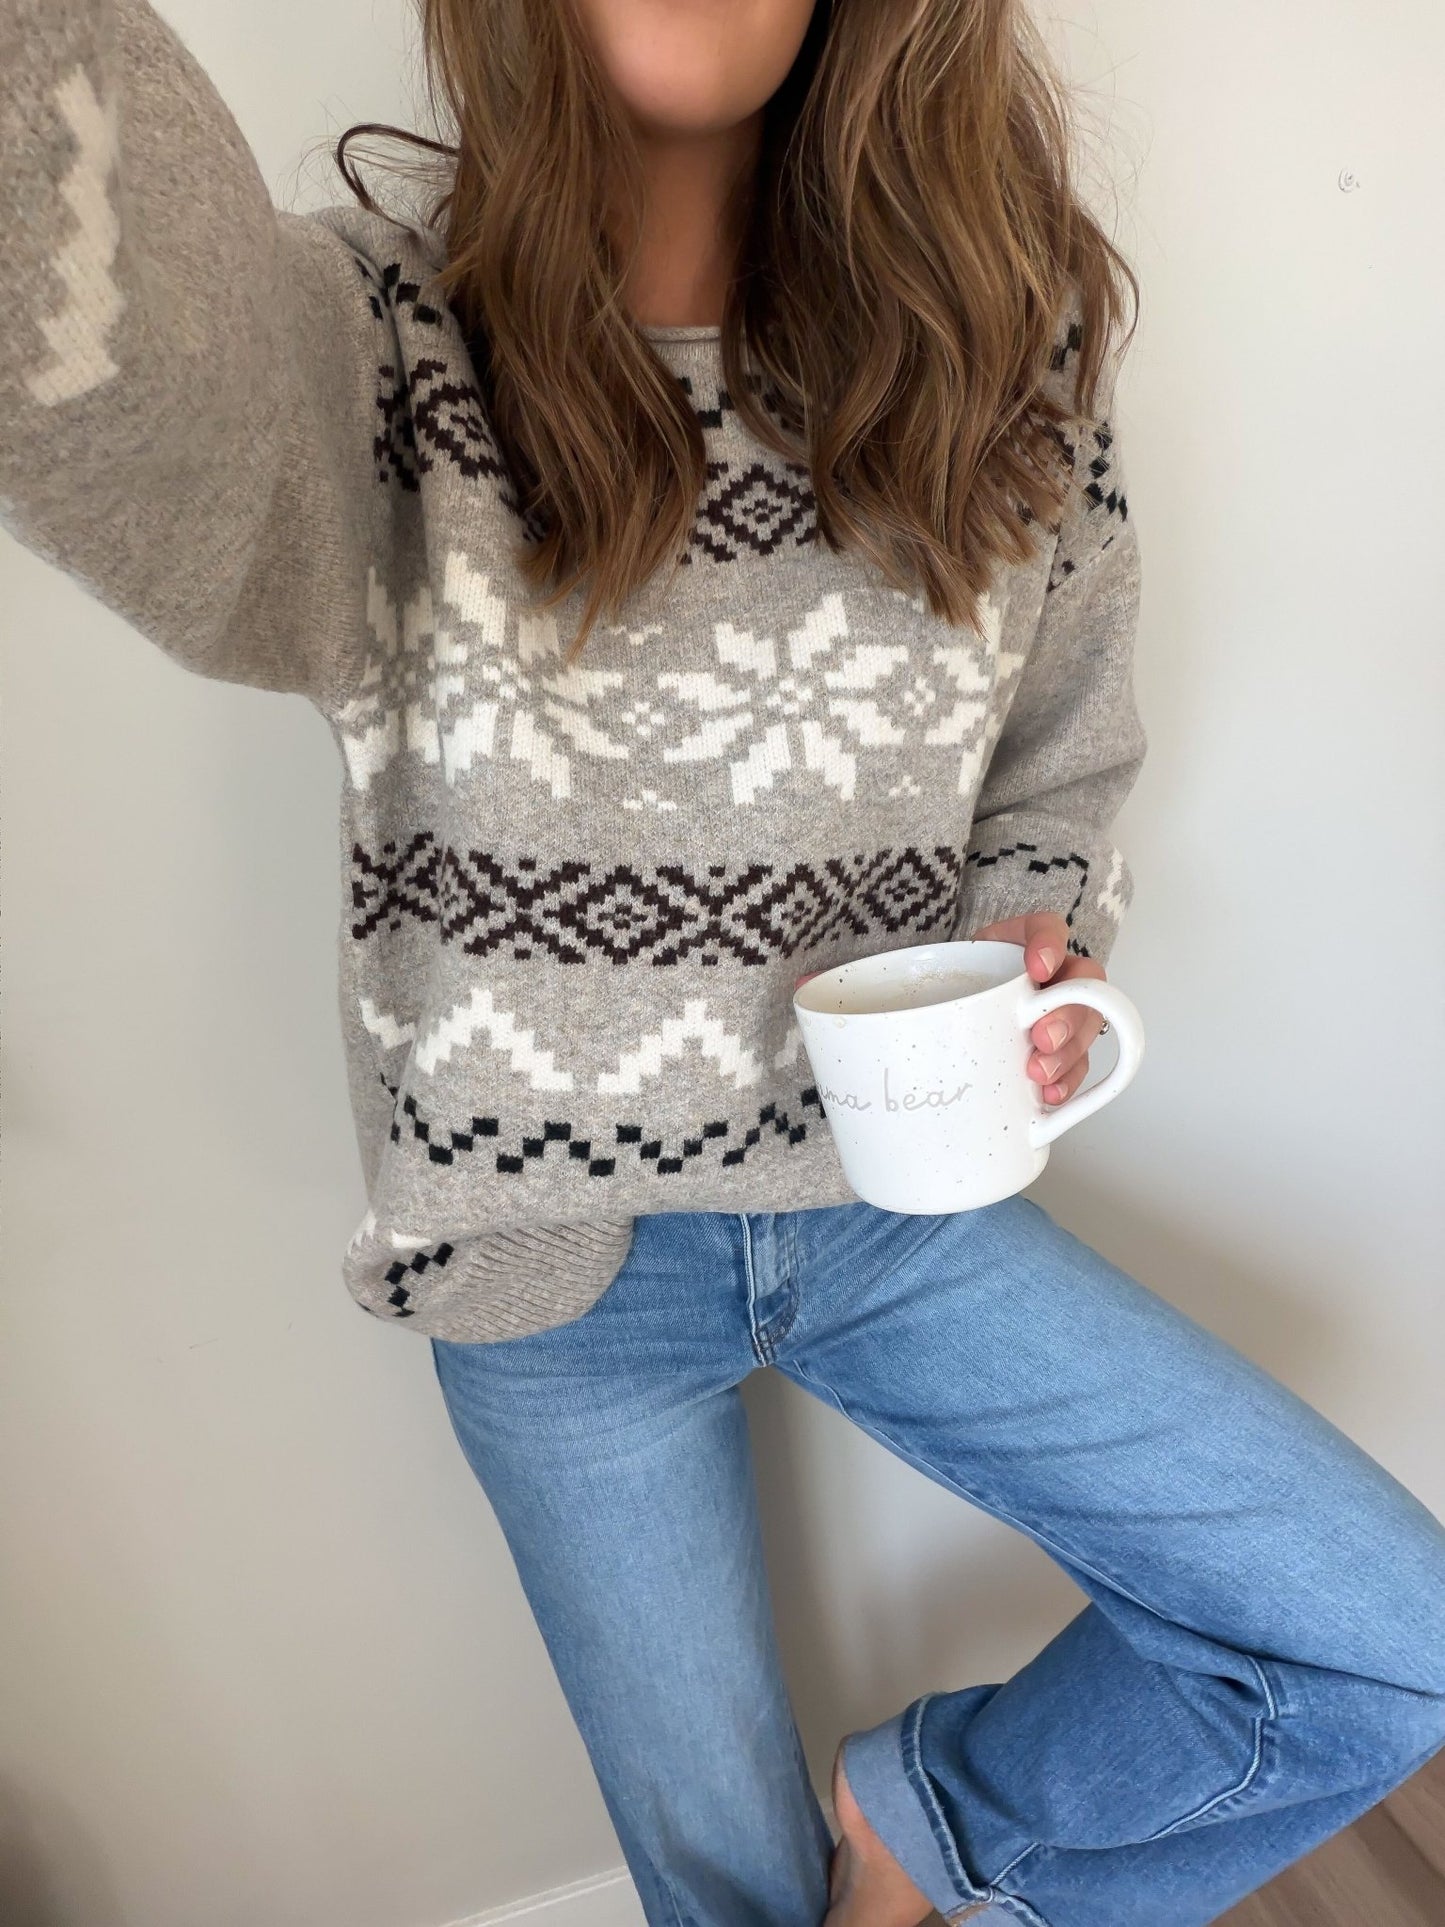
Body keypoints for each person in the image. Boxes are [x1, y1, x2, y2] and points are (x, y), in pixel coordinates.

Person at [4, 2, 1443, 1923]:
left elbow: (1060, 762)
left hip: (884, 1206)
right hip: (539, 1270)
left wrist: (1038, 932)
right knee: (722, 1897)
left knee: (1382, 1637)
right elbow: (99, 361)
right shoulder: (366, 351)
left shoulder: (1006, 349)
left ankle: (922, 1835)